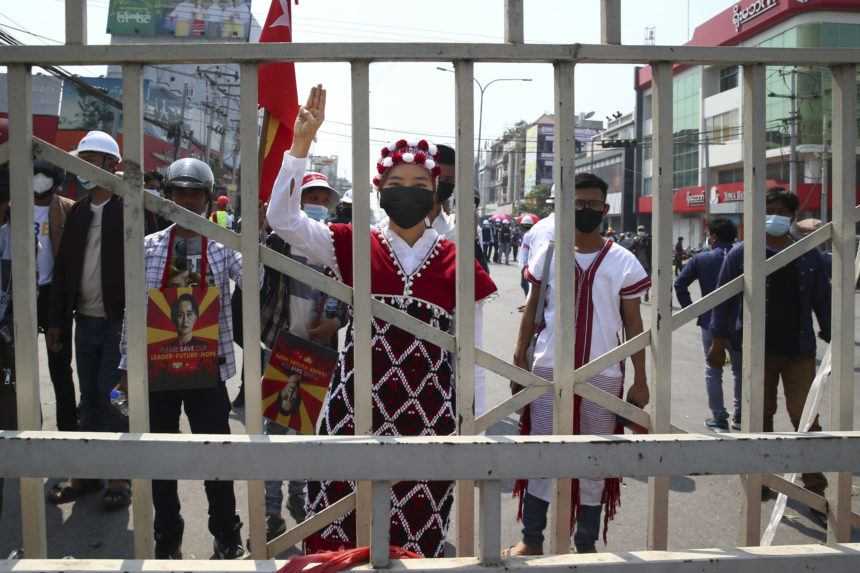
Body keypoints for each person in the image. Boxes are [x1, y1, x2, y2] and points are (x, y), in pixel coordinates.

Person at [266, 85, 496, 557]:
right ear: (379, 190)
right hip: (355, 407)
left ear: (436, 193)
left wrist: (472, 427)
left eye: (418, 184)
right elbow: (282, 219)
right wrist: (299, 147)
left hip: (430, 416)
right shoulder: (352, 243)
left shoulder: (458, 260)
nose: (406, 191)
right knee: (340, 528)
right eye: (395, 183)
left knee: (415, 538)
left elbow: (471, 354)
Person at [508, 173, 650, 556]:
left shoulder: (623, 261)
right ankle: (532, 538)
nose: (585, 210)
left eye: (593, 204)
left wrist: (640, 379)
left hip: (604, 374)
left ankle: (585, 543)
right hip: (548, 369)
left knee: (595, 459)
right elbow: (532, 309)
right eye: (578, 203)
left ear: (605, 209)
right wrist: (519, 358)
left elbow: (634, 324)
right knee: (541, 452)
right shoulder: (549, 252)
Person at [119, 157, 247, 559]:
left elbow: (255, 279)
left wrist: (256, 237)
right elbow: (134, 309)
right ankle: (167, 535)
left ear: (208, 199)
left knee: (215, 453)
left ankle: (226, 533)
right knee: (162, 455)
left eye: (195, 194)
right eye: (180, 193)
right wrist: (125, 365)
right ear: (167, 196)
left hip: (209, 370)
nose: (187, 201)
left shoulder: (223, 247)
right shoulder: (148, 246)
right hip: (159, 370)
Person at [708, 188, 830, 515]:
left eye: (781, 211)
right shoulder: (743, 253)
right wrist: (718, 342)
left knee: (806, 418)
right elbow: (723, 298)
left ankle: (815, 487)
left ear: (792, 217)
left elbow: (822, 297)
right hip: (756, 349)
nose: (775, 216)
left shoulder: (807, 254)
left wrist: (831, 330)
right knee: (760, 417)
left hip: (799, 350)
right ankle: (761, 479)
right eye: (769, 209)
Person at [259, 170, 346, 540]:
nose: (318, 204)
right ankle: (270, 510)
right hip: (279, 349)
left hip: (318, 353)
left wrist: (335, 322)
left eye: (323, 199)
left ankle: (300, 497)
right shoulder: (277, 242)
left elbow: (346, 295)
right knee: (274, 430)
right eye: (311, 197)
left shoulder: (335, 246)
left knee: (306, 428)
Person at [47, 130, 130, 510]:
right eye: (82, 161)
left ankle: (119, 478)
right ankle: (86, 475)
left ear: (111, 165)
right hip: (85, 320)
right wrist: (57, 322)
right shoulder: (78, 212)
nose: (84, 168)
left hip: (118, 321)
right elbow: (63, 271)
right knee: (89, 397)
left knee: (112, 396)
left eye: (92, 161)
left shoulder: (128, 209)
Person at [674, 218, 741, 431]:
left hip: (710, 322)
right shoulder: (743, 255)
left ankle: (719, 416)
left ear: (713, 236)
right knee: (741, 370)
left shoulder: (701, 259)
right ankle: (741, 415)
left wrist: (693, 310)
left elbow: (680, 284)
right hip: (740, 322)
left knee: (713, 369)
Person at [31, 161, 77, 432]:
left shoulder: (67, 209)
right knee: (19, 367)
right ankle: (27, 423)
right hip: (20, 292)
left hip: (54, 295)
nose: (39, 181)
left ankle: (68, 427)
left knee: (60, 365)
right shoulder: (13, 208)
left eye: (45, 177)